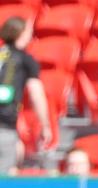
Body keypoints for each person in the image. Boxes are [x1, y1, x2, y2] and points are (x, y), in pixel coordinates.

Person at [0, 17, 50, 174]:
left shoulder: (2, 55)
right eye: (29, 31)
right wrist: (45, 125)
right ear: (21, 33)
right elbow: (36, 93)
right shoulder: (25, 60)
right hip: (5, 126)